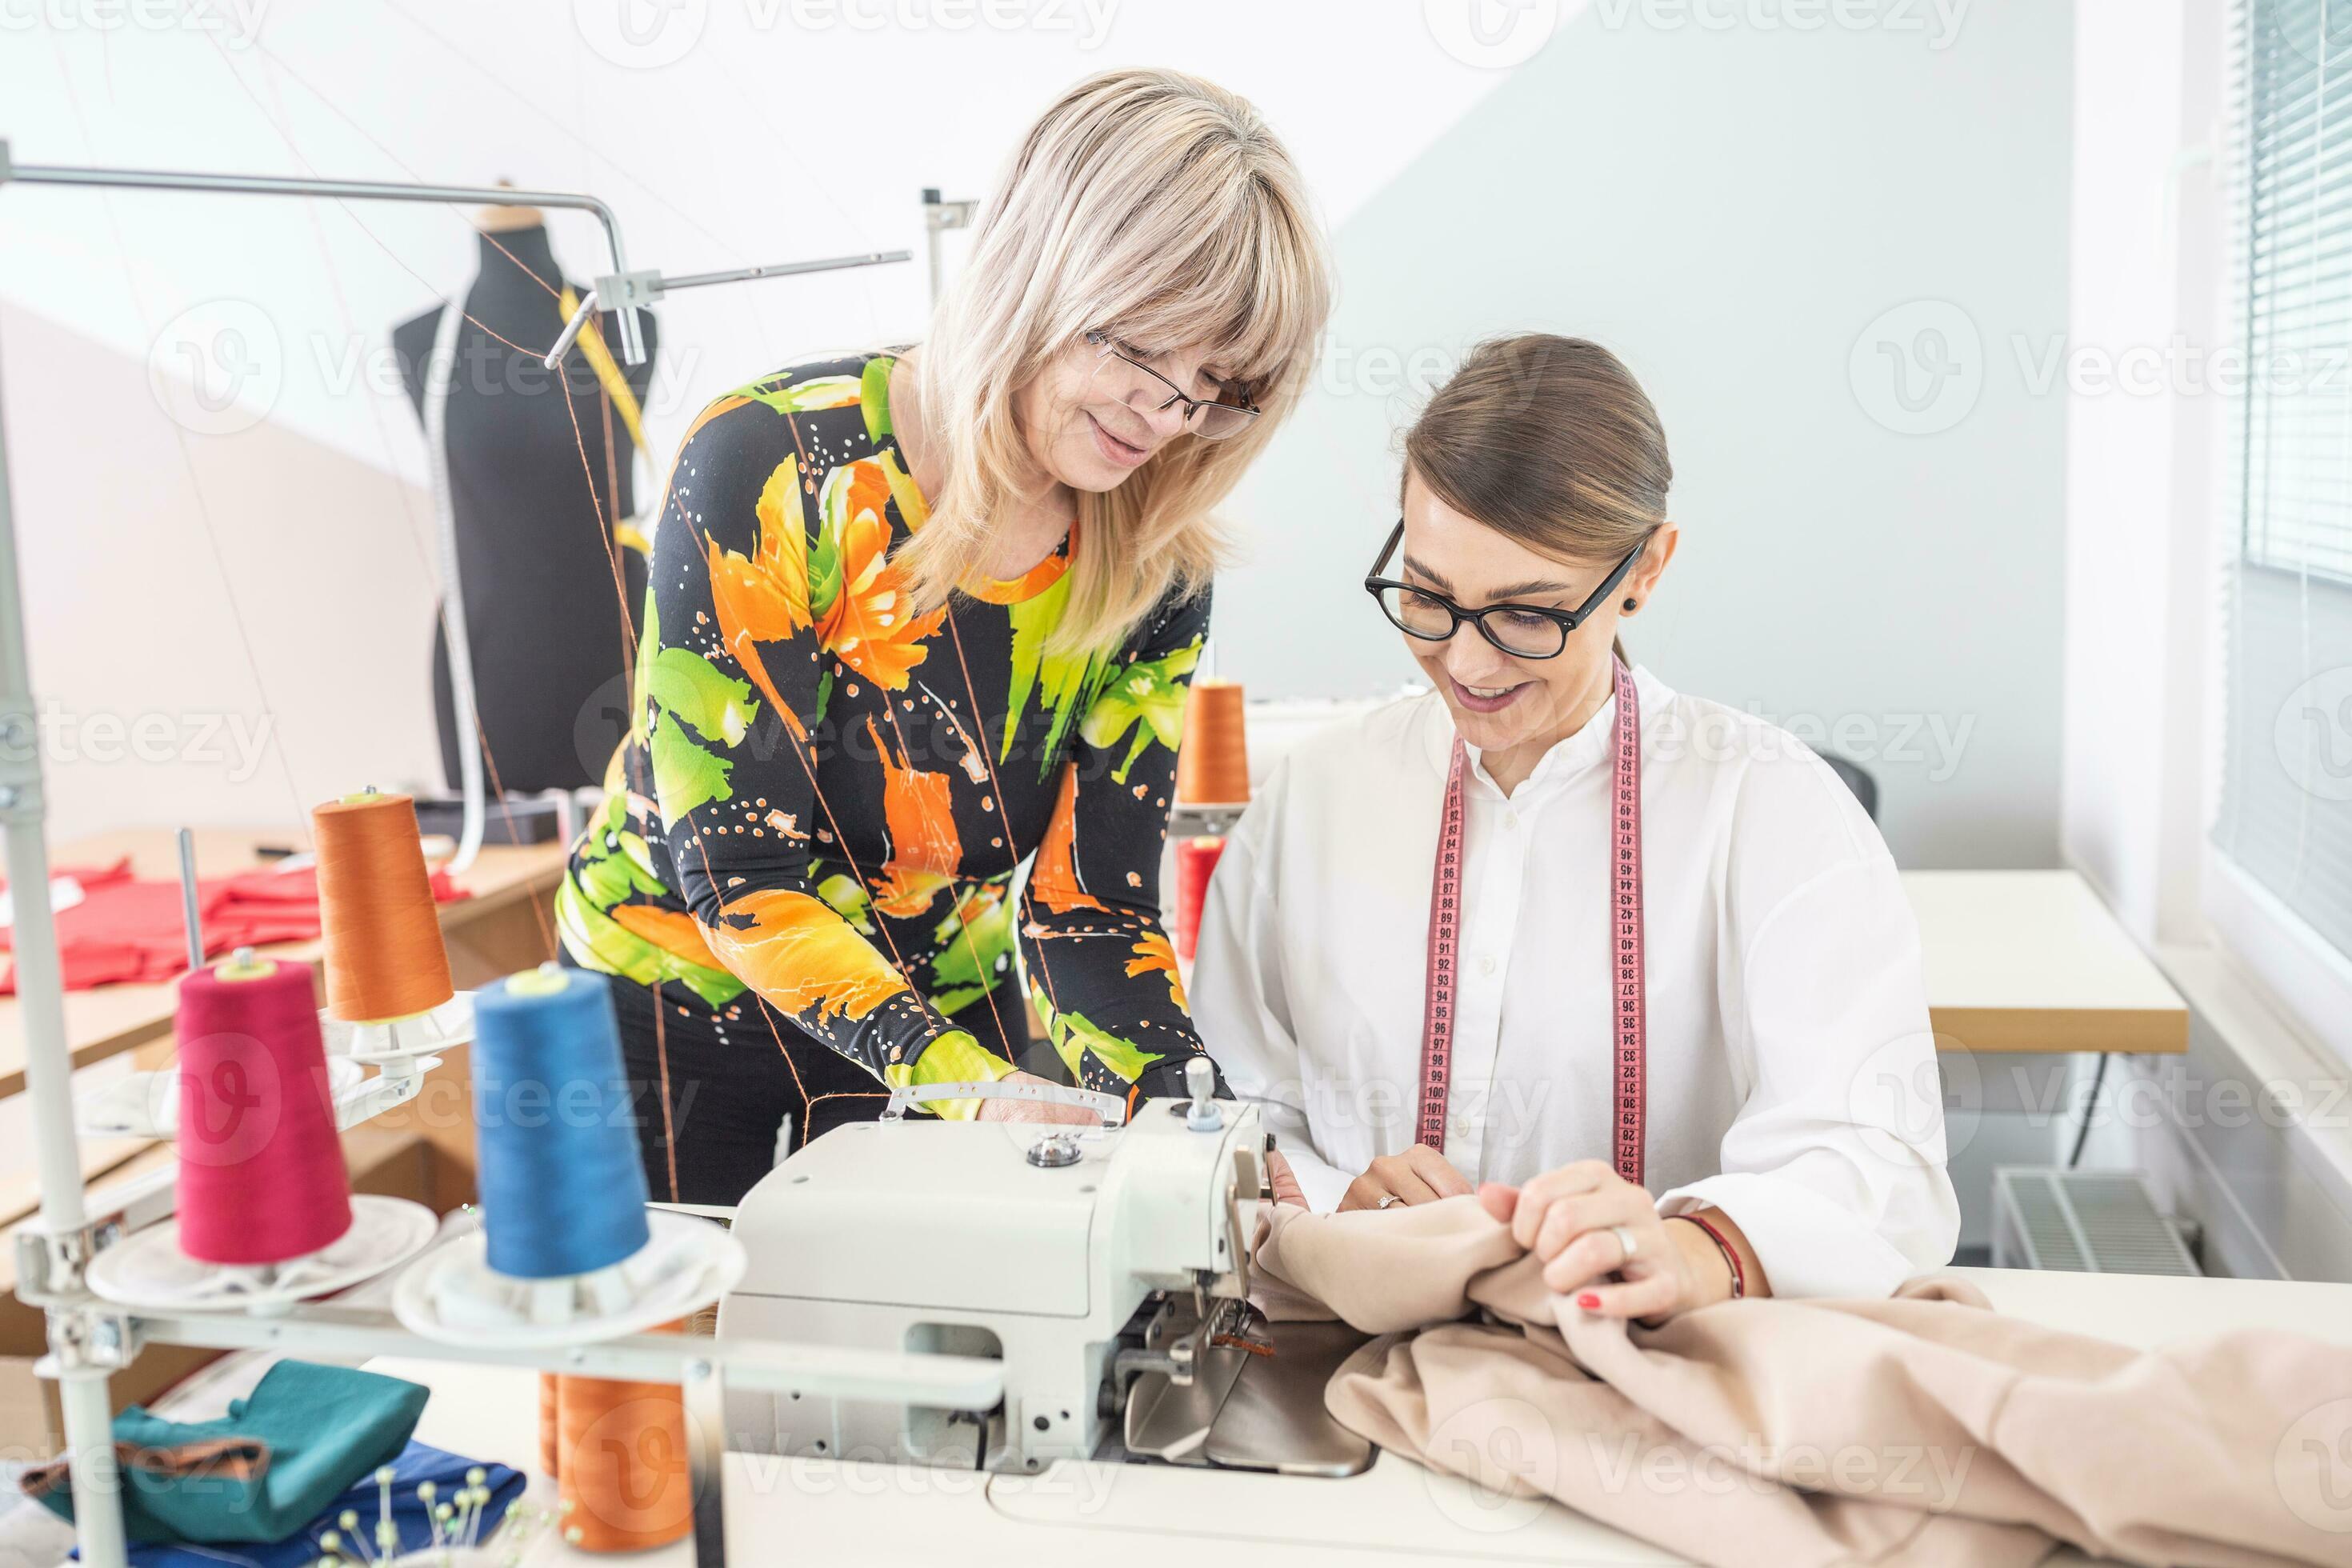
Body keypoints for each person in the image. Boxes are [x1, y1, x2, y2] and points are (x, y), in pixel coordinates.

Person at [560, 68, 1332, 1205]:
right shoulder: (774, 468)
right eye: (1137, 350)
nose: (1165, 418)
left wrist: (1204, 1129)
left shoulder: (1155, 564)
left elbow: (1092, 911)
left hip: (937, 1013)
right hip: (669, 1011)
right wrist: (972, 1090)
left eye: (1214, 386)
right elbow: (741, 875)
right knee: (671, 1368)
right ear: (1040, 267)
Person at [1194, 334, 1958, 1320]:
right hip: (1350, 1357)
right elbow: (1224, 1104)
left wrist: (1695, 1247)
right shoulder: (1313, 800)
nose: (1467, 662)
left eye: (1526, 615)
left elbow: (1876, 1157)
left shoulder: (1775, 809)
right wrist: (1337, 1199)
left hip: (1660, 1382)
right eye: (1428, 596)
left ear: (1645, 568)